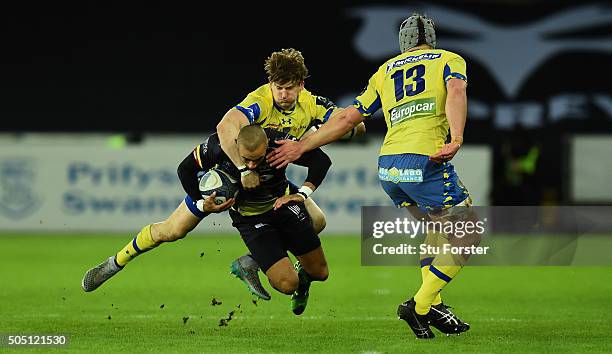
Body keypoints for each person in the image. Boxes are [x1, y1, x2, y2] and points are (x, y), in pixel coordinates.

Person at [267, 14, 480, 338]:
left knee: (437, 230)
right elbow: (456, 92)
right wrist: (457, 137)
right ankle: (420, 305)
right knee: (468, 233)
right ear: (432, 39)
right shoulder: (450, 60)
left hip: (388, 168)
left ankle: (434, 302)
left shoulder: (386, 71)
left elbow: (348, 118)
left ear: (402, 43)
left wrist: (302, 146)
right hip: (423, 161)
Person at [216, 48, 364, 303]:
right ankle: (261, 262)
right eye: (278, 87)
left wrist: (311, 139)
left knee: (318, 221)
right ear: (269, 84)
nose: (283, 95)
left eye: (289, 88)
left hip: (278, 184)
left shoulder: (311, 103)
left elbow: (357, 126)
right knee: (174, 229)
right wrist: (242, 169)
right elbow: (225, 126)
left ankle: (256, 262)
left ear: (301, 85)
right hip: (248, 188)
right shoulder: (259, 101)